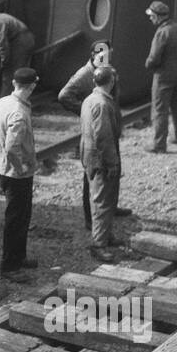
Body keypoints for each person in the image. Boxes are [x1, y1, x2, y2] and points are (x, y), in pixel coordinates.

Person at [58, 42, 130, 228]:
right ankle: (91, 218)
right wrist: (85, 111)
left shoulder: (107, 71)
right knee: (93, 174)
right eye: (102, 55)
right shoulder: (85, 74)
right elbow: (64, 96)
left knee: (113, 169)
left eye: (107, 54)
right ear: (93, 55)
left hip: (109, 127)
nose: (106, 57)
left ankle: (110, 207)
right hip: (96, 132)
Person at [0, 67, 39, 279]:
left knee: (22, 216)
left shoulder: (2, 102)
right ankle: (10, 267)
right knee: (16, 218)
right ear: (32, 86)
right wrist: (21, 167)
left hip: (2, 167)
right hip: (16, 174)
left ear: (14, 84)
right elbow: (13, 147)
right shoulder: (20, 113)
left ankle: (20, 256)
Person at [80, 65, 123, 262]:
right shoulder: (103, 104)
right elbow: (104, 136)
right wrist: (112, 162)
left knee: (105, 198)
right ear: (111, 82)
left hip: (91, 156)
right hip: (101, 159)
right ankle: (98, 244)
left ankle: (106, 234)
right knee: (102, 202)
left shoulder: (90, 99)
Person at [144, 0, 177, 153]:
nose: (150, 18)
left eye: (152, 16)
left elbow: (154, 58)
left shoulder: (162, 33)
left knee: (159, 110)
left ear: (158, 17)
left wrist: (148, 65)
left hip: (163, 76)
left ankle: (159, 144)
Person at [0, 5, 36, 87]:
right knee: (21, 71)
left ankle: (5, 97)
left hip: (21, 41)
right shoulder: (0, 17)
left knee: (10, 72)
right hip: (26, 39)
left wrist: (3, 62)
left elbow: (2, 45)